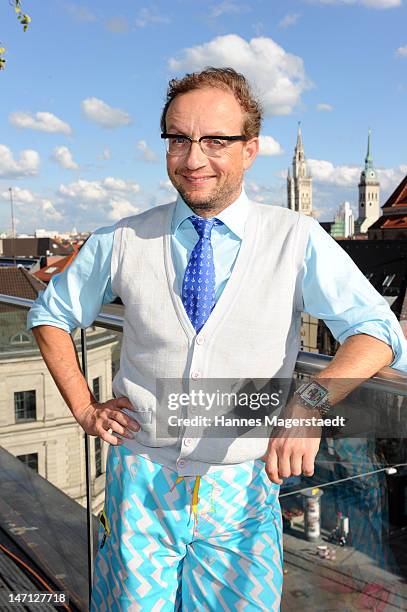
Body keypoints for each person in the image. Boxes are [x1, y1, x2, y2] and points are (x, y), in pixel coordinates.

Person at [27, 67, 407, 611]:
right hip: (140, 478)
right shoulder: (122, 238)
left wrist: (310, 402)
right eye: (178, 139)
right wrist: (85, 409)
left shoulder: (295, 237)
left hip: (244, 485)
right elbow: (50, 315)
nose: (193, 158)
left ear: (250, 150)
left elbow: (378, 332)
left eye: (215, 140)